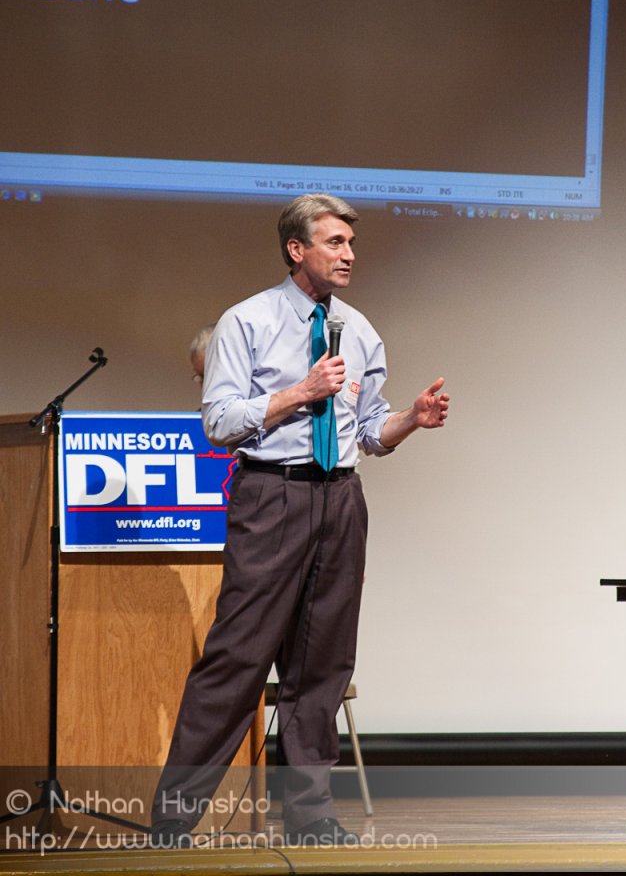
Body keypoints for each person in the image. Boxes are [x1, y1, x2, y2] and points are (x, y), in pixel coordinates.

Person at [151, 193, 449, 848]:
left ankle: (312, 818)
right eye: (334, 243)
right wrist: (300, 393)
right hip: (272, 496)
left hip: (342, 499)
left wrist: (411, 423)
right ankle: (172, 820)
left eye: (350, 243)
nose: (348, 255)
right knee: (237, 659)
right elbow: (220, 422)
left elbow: (370, 430)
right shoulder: (246, 323)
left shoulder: (360, 330)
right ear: (297, 249)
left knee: (323, 668)